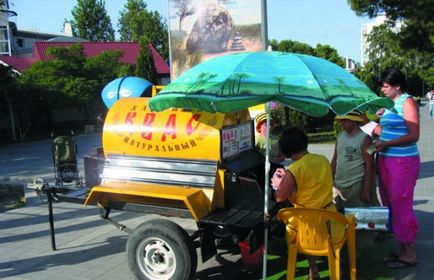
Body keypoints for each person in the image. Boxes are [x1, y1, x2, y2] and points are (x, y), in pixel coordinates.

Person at [271, 127, 336, 279]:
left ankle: (313, 268)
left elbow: (280, 197)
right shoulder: (322, 160)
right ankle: (315, 269)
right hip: (331, 222)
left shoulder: (295, 169)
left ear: (286, 148)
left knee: (294, 228)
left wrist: (277, 184)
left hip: (306, 227)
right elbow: (312, 187)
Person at [373, 68, 420, 268]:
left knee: (401, 205)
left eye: (385, 85)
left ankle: (409, 253)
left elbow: (414, 135)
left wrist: (387, 144)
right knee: (390, 204)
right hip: (386, 159)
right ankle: (403, 247)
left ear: (397, 86)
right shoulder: (390, 105)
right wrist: (368, 124)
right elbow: (384, 132)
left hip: (402, 162)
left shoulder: (407, 102)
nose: (382, 89)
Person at [331, 111, 374, 210]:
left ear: (354, 121)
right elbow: (335, 160)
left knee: (355, 216)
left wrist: (366, 190)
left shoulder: (365, 139)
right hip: (338, 184)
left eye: (344, 120)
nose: (341, 124)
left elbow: (369, 165)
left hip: (355, 184)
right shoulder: (340, 137)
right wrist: (329, 179)